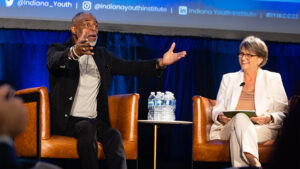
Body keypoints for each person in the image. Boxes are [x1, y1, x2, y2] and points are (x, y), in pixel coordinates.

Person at [46, 12, 186, 169]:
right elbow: (53, 61)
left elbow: (130, 67)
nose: (93, 29)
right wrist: (74, 52)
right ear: (73, 29)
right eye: (87, 24)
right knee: (87, 128)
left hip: (94, 121)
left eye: (96, 25)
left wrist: (160, 63)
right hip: (68, 121)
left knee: (114, 135)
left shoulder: (102, 55)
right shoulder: (57, 49)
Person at [209, 36, 288, 168]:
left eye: (249, 55)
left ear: (260, 59)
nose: (243, 58)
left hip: (262, 128)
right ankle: (255, 162)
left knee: (237, 134)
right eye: (241, 53)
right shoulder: (228, 78)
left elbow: (284, 112)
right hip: (228, 127)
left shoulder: (273, 78)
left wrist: (269, 118)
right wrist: (219, 116)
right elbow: (217, 108)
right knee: (240, 117)